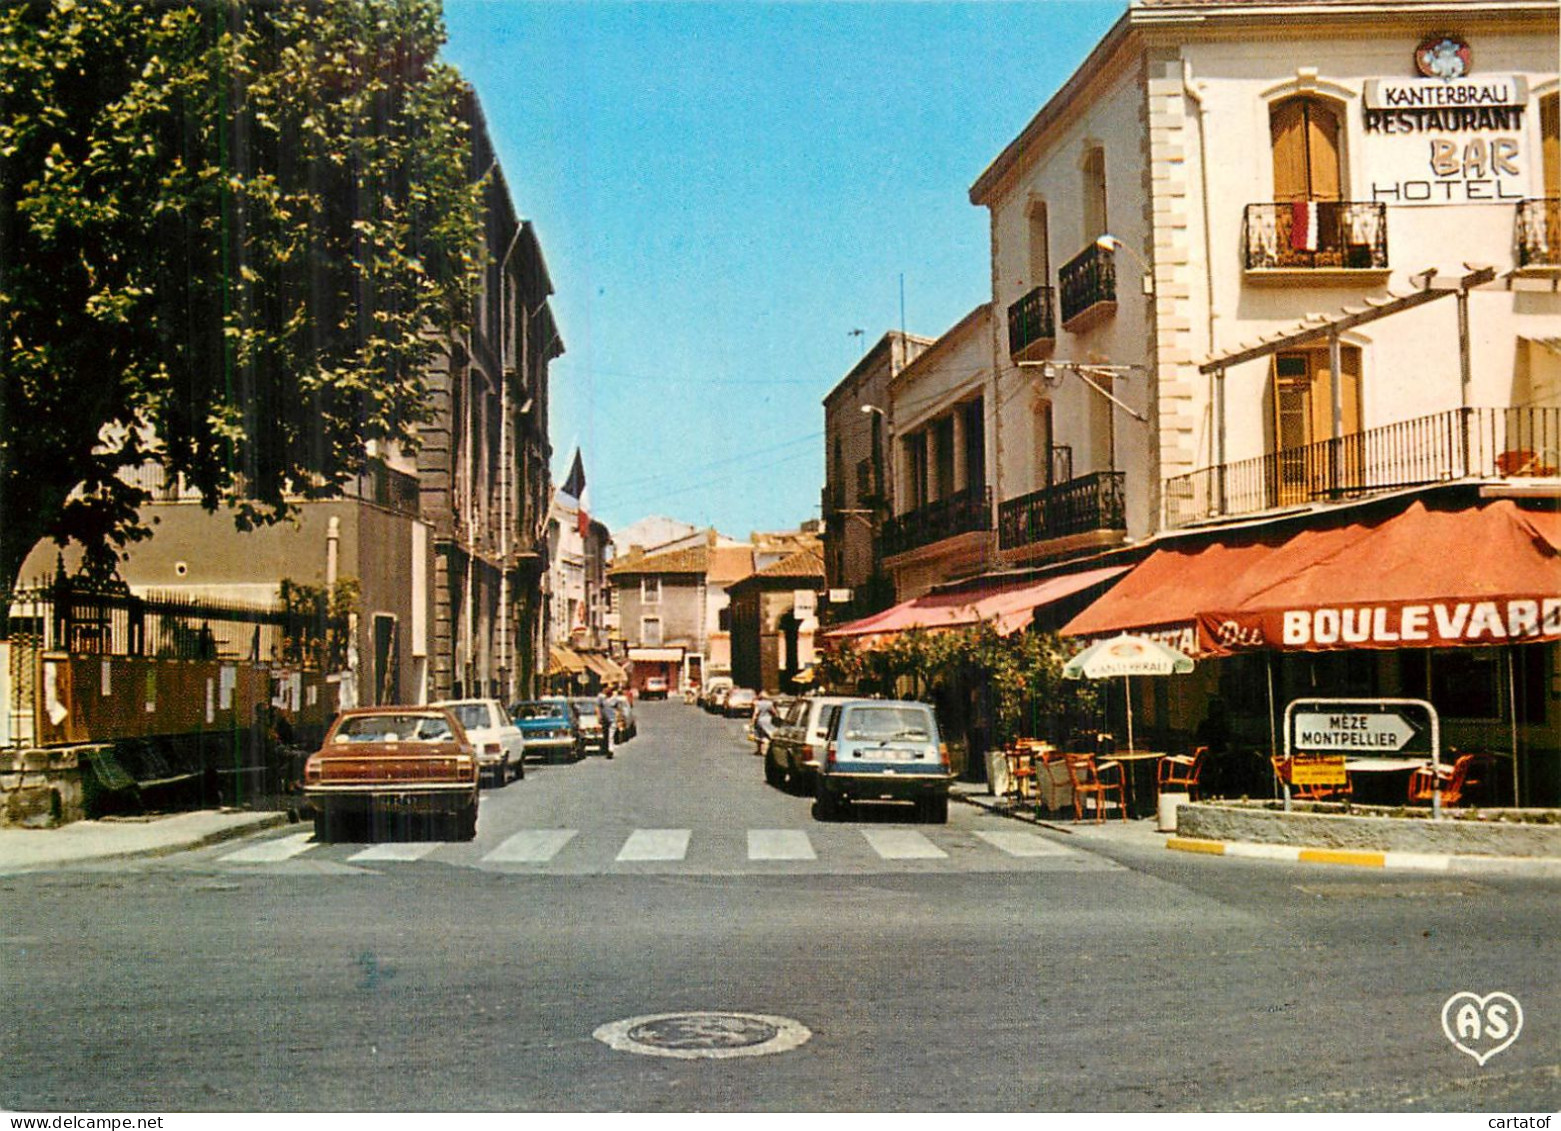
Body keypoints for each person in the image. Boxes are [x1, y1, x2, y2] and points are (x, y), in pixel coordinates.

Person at [752, 691, 776, 757]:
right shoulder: (770, 704)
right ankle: (768, 750)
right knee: (768, 734)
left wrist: (752, 720)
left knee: (759, 735)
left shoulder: (757, 703)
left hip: (759, 720)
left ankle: (759, 750)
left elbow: (756, 712)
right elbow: (773, 712)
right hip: (768, 720)